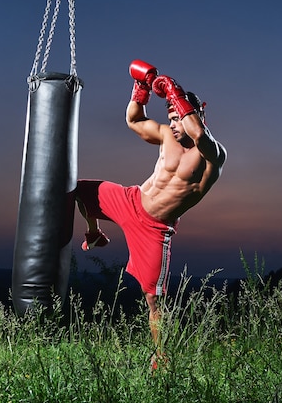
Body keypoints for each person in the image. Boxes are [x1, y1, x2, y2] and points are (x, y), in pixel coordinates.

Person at [75, 60, 227, 368]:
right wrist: (141, 88)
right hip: (132, 200)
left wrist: (174, 91)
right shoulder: (168, 135)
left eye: (178, 118)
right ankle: (94, 232)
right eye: (170, 118)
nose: (172, 124)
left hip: (154, 229)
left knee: (154, 300)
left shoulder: (212, 155)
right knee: (76, 188)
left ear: (197, 117)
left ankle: (161, 357)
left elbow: (199, 133)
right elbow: (133, 120)